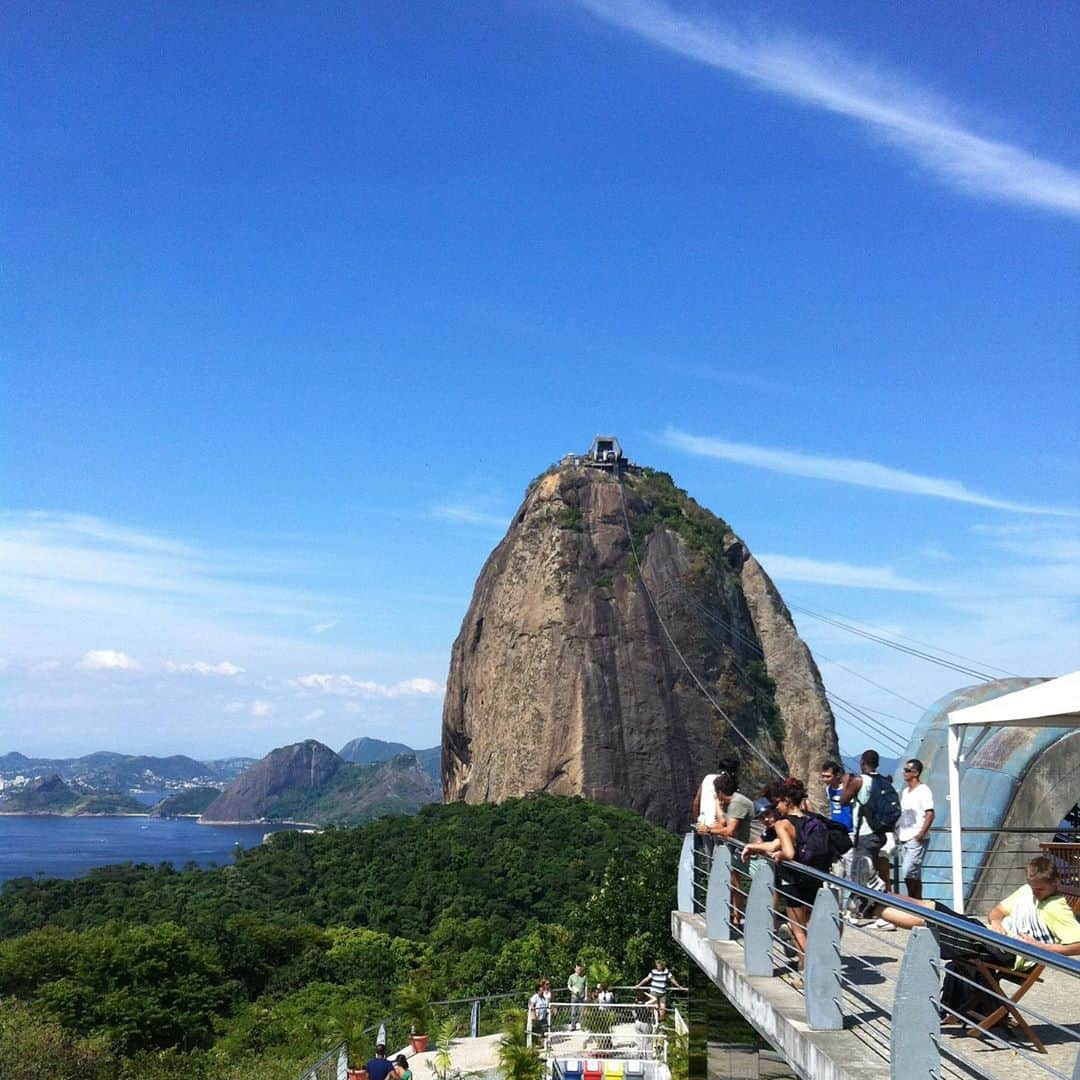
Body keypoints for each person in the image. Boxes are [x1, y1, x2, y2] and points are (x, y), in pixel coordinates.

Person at [869, 856, 1080, 1015]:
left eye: (1040, 890)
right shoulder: (1027, 890)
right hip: (991, 938)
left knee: (932, 921)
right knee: (935, 907)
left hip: (1007, 954)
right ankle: (881, 895)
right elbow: (996, 912)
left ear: (1055, 883)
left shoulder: (1057, 907)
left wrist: (1044, 949)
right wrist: (997, 923)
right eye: (1033, 888)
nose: (1035, 893)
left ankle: (873, 910)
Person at [741, 777, 819, 970]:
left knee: (798, 929)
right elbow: (777, 843)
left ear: (785, 801)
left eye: (777, 803)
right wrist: (756, 847)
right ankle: (809, 965)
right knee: (807, 925)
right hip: (813, 875)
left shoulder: (783, 824)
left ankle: (808, 971)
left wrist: (779, 855)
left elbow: (787, 851)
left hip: (792, 879)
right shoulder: (810, 819)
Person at [694, 773, 754, 924]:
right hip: (742, 847)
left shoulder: (737, 803)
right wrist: (717, 804)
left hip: (752, 848)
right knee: (732, 881)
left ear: (720, 791)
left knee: (737, 882)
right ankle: (735, 915)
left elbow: (730, 831)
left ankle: (738, 916)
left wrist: (707, 830)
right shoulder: (731, 802)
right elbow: (722, 822)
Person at [897, 759, 934, 899]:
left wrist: (921, 834)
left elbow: (930, 813)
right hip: (904, 836)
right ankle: (917, 902)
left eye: (908, 770)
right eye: (904, 770)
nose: (904, 773)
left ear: (916, 773)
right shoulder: (906, 791)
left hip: (916, 838)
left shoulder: (923, 791)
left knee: (908, 871)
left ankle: (914, 902)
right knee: (913, 874)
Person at [635, 957, 684, 1022]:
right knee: (654, 1007)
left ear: (662, 966)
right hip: (654, 991)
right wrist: (639, 985)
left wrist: (679, 986)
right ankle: (653, 1020)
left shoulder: (666, 971)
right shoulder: (653, 971)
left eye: (659, 966)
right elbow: (646, 979)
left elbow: (672, 979)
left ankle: (660, 1021)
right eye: (657, 966)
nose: (658, 967)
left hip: (662, 993)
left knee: (663, 1009)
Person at [819, 760, 853, 833]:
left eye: (828, 776)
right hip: (836, 827)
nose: (825, 779)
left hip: (849, 829)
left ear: (837, 775)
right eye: (823, 776)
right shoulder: (828, 789)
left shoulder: (847, 789)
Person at [527, 979, 551, 1045]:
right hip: (537, 1017)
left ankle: (543, 1043)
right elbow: (532, 1006)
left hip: (543, 1017)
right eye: (541, 991)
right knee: (538, 1032)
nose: (542, 992)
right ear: (537, 991)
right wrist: (534, 1016)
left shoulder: (543, 998)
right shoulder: (535, 997)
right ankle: (538, 1043)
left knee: (544, 1031)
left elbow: (546, 1006)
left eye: (542, 991)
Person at [567, 962, 586, 1029]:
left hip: (582, 997)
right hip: (574, 997)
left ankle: (582, 1026)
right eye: (577, 969)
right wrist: (572, 990)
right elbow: (569, 985)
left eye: (580, 969)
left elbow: (586, 986)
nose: (579, 970)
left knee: (582, 1013)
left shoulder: (584, 977)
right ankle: (573, 1026)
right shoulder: (571, 976)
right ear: (575, 969)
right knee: (573, 1012)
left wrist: (586, 996)